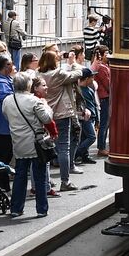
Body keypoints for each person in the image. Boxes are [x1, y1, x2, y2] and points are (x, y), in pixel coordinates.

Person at [6, 72, 55, 218]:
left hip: (18, 142)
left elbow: (5, 116)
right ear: (28, 85)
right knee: (39, 177)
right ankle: (41, 209)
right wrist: (47, 106)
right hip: (36, 143)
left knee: (20, 176)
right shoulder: (34, 101)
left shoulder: (8, 100)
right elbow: (46, 118)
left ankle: (16, 208)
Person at [41, 49, 90, 191]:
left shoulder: (39, 74)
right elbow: (78, 73)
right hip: (62, 114)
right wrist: (74, 64)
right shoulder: (59, 74)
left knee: (46, 147)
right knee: (64, 148)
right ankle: (65, 181)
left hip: (45, 114)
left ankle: (46, 181)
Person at [91, 46, 111, 156]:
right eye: (106, 53)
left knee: (106, 123)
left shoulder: (104, 66)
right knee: (104, 123)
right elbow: (107, 83)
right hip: (105, 97)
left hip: (105, 96)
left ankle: (102, 146)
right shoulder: (102, 68)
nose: (108, 55)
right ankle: (101, 147)